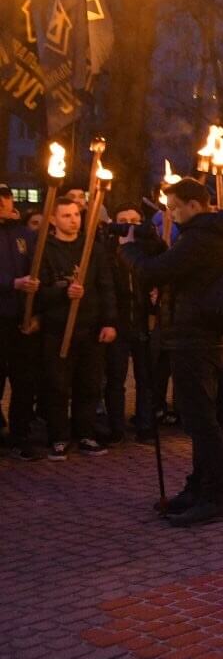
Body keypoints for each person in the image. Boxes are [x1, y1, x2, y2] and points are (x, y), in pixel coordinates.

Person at [119, 178, 223, 526]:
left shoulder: (203, 238)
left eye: (175, 207)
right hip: (194, 335)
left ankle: (215, 496)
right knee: (194, 417)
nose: (171, 213)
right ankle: (198, 486)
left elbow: (154, 272)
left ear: (194, 205)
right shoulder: (203, 236)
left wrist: (128, 250)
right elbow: (174, 267)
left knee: (202, 421)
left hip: (197, 337)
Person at [35, 195, 119, 459]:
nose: (73, 221)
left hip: (90, 326)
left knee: (89, 383)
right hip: (57, 328)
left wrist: (109, 322)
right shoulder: (44, 249)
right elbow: (38, 292)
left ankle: (86, 433)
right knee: (58, 385)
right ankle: (59, 436)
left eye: (76, 215)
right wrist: (63, 293)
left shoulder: (91, 247)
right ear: (53, 219)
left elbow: (105, 285)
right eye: (66, 216)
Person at [104, 205, 153, 446]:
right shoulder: (108, 252)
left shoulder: (148, 251)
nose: (129, 226)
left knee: (146, 377)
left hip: (144, 321)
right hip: (119, 323)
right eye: (124, 221)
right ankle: (116, 427)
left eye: (135, 221)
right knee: (115, 378)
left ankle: (145, 425)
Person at [0, 185, 42, 457]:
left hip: (21, 321)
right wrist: (12, 283)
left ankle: (20, 436)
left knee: (24, 381)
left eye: (4, 198)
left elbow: (39, 271)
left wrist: (36, 313)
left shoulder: (25, 234)